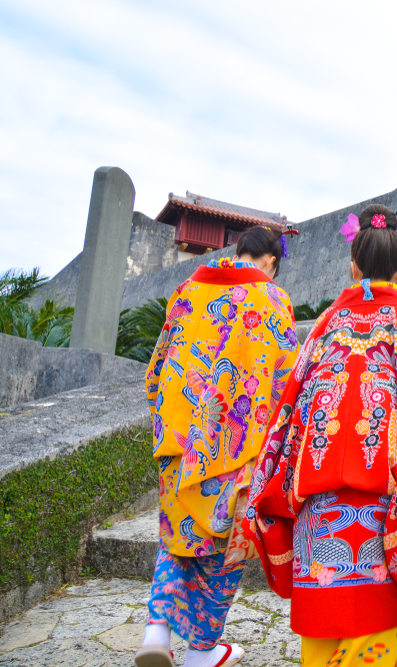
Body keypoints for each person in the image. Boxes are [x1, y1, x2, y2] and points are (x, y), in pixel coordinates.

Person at [244, 204, 397, 667]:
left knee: (321, 634)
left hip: (316, 508)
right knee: (379, 630)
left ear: (353, 267)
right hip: (381, 511)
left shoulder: (326, 324)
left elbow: (292, 403)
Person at [137, 226, 300, 667]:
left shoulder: (188, 290)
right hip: (237, 446)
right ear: (271, 261)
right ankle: (202, 651)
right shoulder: (272, 300)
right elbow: (286, 381)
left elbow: (156, 369)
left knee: (176, 539)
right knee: (223, 551)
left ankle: (156, 631)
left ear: (238, 251)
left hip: (180, 438)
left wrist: (171, 423)